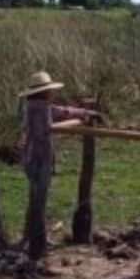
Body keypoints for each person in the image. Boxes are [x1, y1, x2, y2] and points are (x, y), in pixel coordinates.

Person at [18, 71, 101, 261]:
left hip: (35, 159)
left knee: (37, 199)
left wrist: (85, 113)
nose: (51, 94)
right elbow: (47, 129)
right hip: (38, 160)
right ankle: (33, 241)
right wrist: (79, 120)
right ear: (44, 92)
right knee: (37, 200)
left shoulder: (38, 106)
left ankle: (31, 238)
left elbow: (61, 111)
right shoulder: (37, 109)